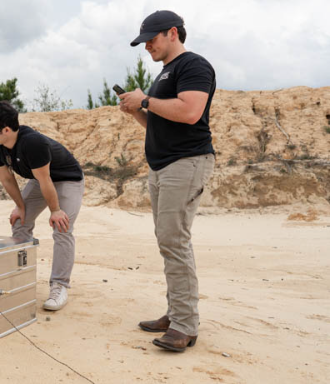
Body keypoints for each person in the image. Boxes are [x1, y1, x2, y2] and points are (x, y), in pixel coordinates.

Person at [119, 10, 216, 352]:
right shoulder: (166, 73)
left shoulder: (194, 66)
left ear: (172, 33)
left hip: (185, 163)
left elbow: (190, 113)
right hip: (163, 166)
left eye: (151, 38)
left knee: (174, 241)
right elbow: (162, 123)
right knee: (168, 240)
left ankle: (185, 325)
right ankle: (177, 314)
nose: (147, 46)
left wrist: (145, 99)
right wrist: (139, 112)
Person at [0, 101, 84, 311]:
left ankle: (59, 286)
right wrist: (20, 206)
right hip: (40, 181)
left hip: (67, 179)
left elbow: (47, 181)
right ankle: (21, 280)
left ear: (6, 130)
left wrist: (55, 210)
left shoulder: (33, 142)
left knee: (62, 226)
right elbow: (7, 179)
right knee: (20, 222)